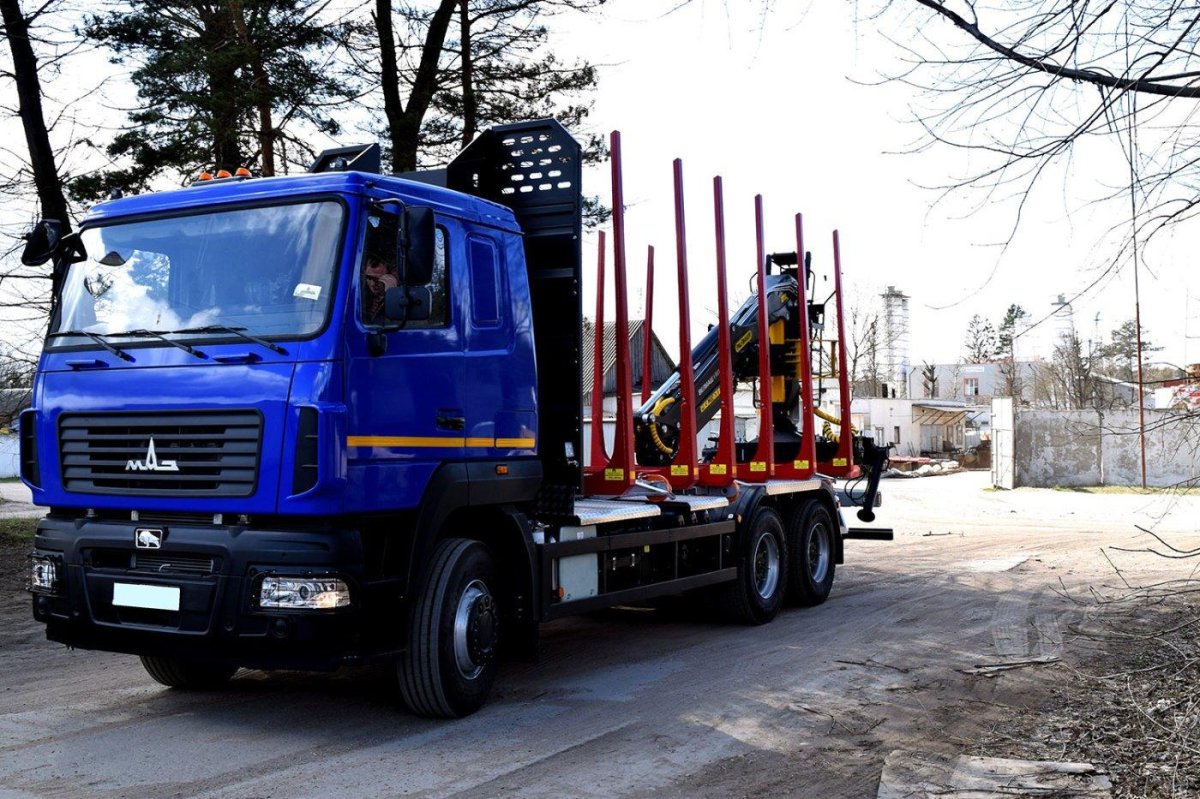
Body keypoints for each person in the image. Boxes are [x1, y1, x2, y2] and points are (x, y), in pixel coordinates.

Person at [363, 255, 398, 325]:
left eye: (378, 279)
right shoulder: (361, 295)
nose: (373, 283)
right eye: (369, 278)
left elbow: (390, 281)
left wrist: (383, 284)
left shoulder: (394, 295)